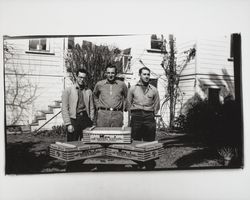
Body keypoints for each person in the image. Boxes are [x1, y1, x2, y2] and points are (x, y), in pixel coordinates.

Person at [61, 68, 94, 141]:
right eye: (80, 77)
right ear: (76, 77)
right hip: (74, 119)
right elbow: (64, 108)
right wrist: (68, 124)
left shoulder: (88, 91)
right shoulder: (68, 91)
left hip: (85, 119)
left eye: (84, 78)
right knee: (72, 143)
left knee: (86, 142)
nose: (82, 79)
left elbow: (91, 107)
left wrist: (91, 119)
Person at [128, 67, 160, 141]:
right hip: (136, 116)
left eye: (148, 74)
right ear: (140, 75)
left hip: (149, 116)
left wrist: (152, 114)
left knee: (149, 139)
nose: (146, 76)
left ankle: (147, 152)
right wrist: (132, 114)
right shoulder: (133, 89)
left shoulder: (154, 90)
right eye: (144, 74)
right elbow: (128, 102)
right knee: (135, 139)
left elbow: (157, 103)